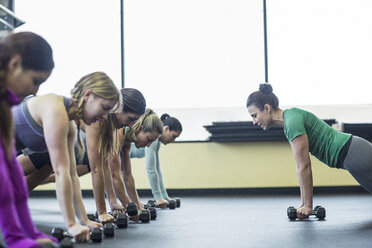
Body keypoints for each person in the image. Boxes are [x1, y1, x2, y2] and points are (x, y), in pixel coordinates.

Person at [13, 71, 121, 242]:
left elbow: (71, 174)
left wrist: (83, 220)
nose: (105, 117)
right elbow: (61, 172)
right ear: (88, 95)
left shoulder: (70, 125)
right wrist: (71, 225)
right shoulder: (57, 110)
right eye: (105, 108)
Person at [17, 88, 147, 224]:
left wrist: (113, 202)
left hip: (56, 141)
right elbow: (96, 171)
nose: (131, 125)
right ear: (121, 107)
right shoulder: (100, 119)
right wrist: (102, 211)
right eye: (131, 119)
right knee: (11, 173)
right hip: (38, 127)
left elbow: (105, 167)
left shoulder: (110, 126)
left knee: (23, 186)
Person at [246, 83, 372, 219]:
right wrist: (304, 204)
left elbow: (305, 166)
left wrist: (308, 206)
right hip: (352, 154)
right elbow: (300, 167)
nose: (254, 121)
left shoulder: (292, 122)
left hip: (354, 154)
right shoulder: (290, 119)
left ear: (266, 108)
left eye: (254, 115)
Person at [0, 31, 58, 248]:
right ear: (15, 64)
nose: (35, 91)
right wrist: (14, 238)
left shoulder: (5, 103)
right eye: (35, 80)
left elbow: (12, 172)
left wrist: (28, 232)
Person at [107, 109, 163, 218]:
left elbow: (127, 175)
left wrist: (137, 205)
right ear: (141, 129)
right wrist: (129, 207)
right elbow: (114, 175)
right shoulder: (119, 134)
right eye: (148, 139)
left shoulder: (127, 139)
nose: (148, 145)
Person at [130, 113, 182, 208]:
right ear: (166, 129)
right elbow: (151, 170)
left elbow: (157, 169)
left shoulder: (157, 142)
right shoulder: (154, 139)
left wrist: (164, 197)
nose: (173, 140)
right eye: (173, 136)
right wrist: (158, 198)